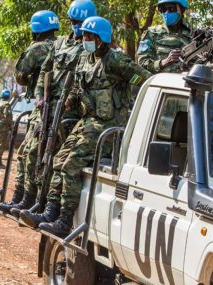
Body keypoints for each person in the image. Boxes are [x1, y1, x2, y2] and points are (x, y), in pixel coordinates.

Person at [22, 16, 152, 237]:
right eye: (85, 35)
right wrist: (67, 103)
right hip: (87, 122)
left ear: (102, 38)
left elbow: (146, 81)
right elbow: (76, 89)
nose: (86, 39)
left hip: (107, 125)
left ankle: (64, 220)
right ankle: (50, 211)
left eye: (90, 36)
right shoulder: (85, 59)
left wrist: (135, 107)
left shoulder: (116, 61)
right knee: (58, 160)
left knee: (71, 164)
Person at [10, 0, 97, 218]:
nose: (76, 26)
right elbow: (45, 72)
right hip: (48, 107)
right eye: (73, 21)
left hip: (68, 113)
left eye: (80, 22)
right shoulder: (59, 44)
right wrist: (40, 95)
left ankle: (42, 204)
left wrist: (72, 102)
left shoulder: (90, 48)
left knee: (52, 160)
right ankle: (26, 199)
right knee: (33, 154)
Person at [0, 10, 59, 212]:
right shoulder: (62, 46)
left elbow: (20, 76)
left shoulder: (37, 48)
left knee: (27, 154)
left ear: (35, 30)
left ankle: (24, 199)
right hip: (55, 109)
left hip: (41, 108)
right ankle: (23, 199)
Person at [137, 0, 191, 73]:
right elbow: (142, 63)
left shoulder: (192, 34)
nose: (166, 13)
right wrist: (164, 62)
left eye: (171, 9)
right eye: (163, 9)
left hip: (185, 83)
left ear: (181, 10)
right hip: (159, 83)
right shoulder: (152, 33)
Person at [0, 89, 13, 169]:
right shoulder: (6, 104)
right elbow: (7, 116)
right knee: (1, 144)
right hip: (4, 127)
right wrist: (10, 125)